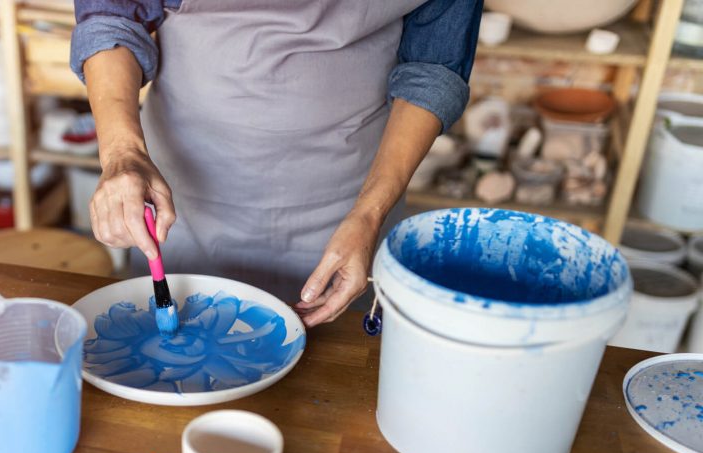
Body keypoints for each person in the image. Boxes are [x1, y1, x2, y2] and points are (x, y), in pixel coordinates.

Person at [70, 1, 481, 326]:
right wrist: (123, 153)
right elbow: (113, 17)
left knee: (331, 379)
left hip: (351, 197)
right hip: (187, 191)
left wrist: (370, 214)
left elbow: (433, 67)